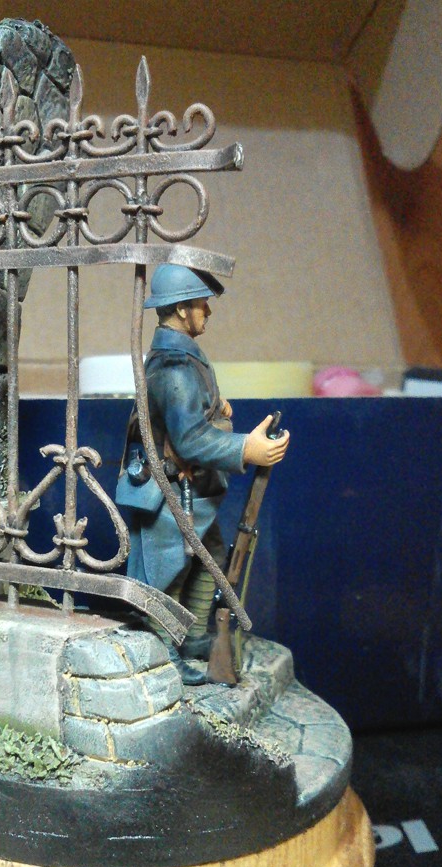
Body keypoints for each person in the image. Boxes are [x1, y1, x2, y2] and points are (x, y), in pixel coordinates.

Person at [117, 263, 289, 683]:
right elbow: (191, 439)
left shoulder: (182, 358)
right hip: (170, 491)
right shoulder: (175, 367)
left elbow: (187, 414)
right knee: (169, 572)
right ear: (181, 310)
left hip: (193, 489)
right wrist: (246, 448)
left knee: (207, 559)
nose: (207, 312)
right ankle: (162, 650)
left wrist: (214, 408)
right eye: (201, 304)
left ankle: (192, 635)